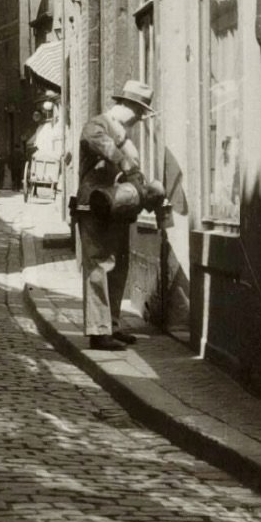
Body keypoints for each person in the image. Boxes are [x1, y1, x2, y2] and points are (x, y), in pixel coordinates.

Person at [77, 79, 163, 352]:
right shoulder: (99, 124)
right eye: (137, 111)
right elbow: (96, 141)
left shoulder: (124, 134)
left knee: (119, 266)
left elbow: (133, 170)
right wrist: (122, 158)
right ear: (124, 105)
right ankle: (98, 331)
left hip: (118, 207)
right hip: (94, 204)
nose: (139, 118)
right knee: (99, 265)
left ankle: (112, 324)